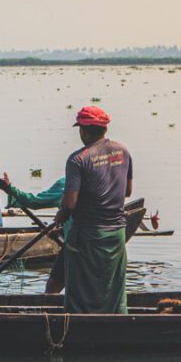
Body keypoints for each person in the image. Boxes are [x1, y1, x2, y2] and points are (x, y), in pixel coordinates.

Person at [56, 105, 133, 314]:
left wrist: (60, 215)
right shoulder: (123, 151)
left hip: (88, 235)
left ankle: (77, 330)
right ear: (104, 130)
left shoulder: (78, 159)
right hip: (117, 234)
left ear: (83, 130)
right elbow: (127, 191)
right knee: (113, 287)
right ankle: (116, 325)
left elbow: (70, 204)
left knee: (79, 290)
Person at [0, 172, 69, 294]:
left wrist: (9, 188)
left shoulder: (67, 184)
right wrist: (62, 230)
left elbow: (34, 201)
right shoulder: (105, 181)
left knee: (53, 287)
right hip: (102, 242)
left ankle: (48, 310)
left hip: (76, 245)